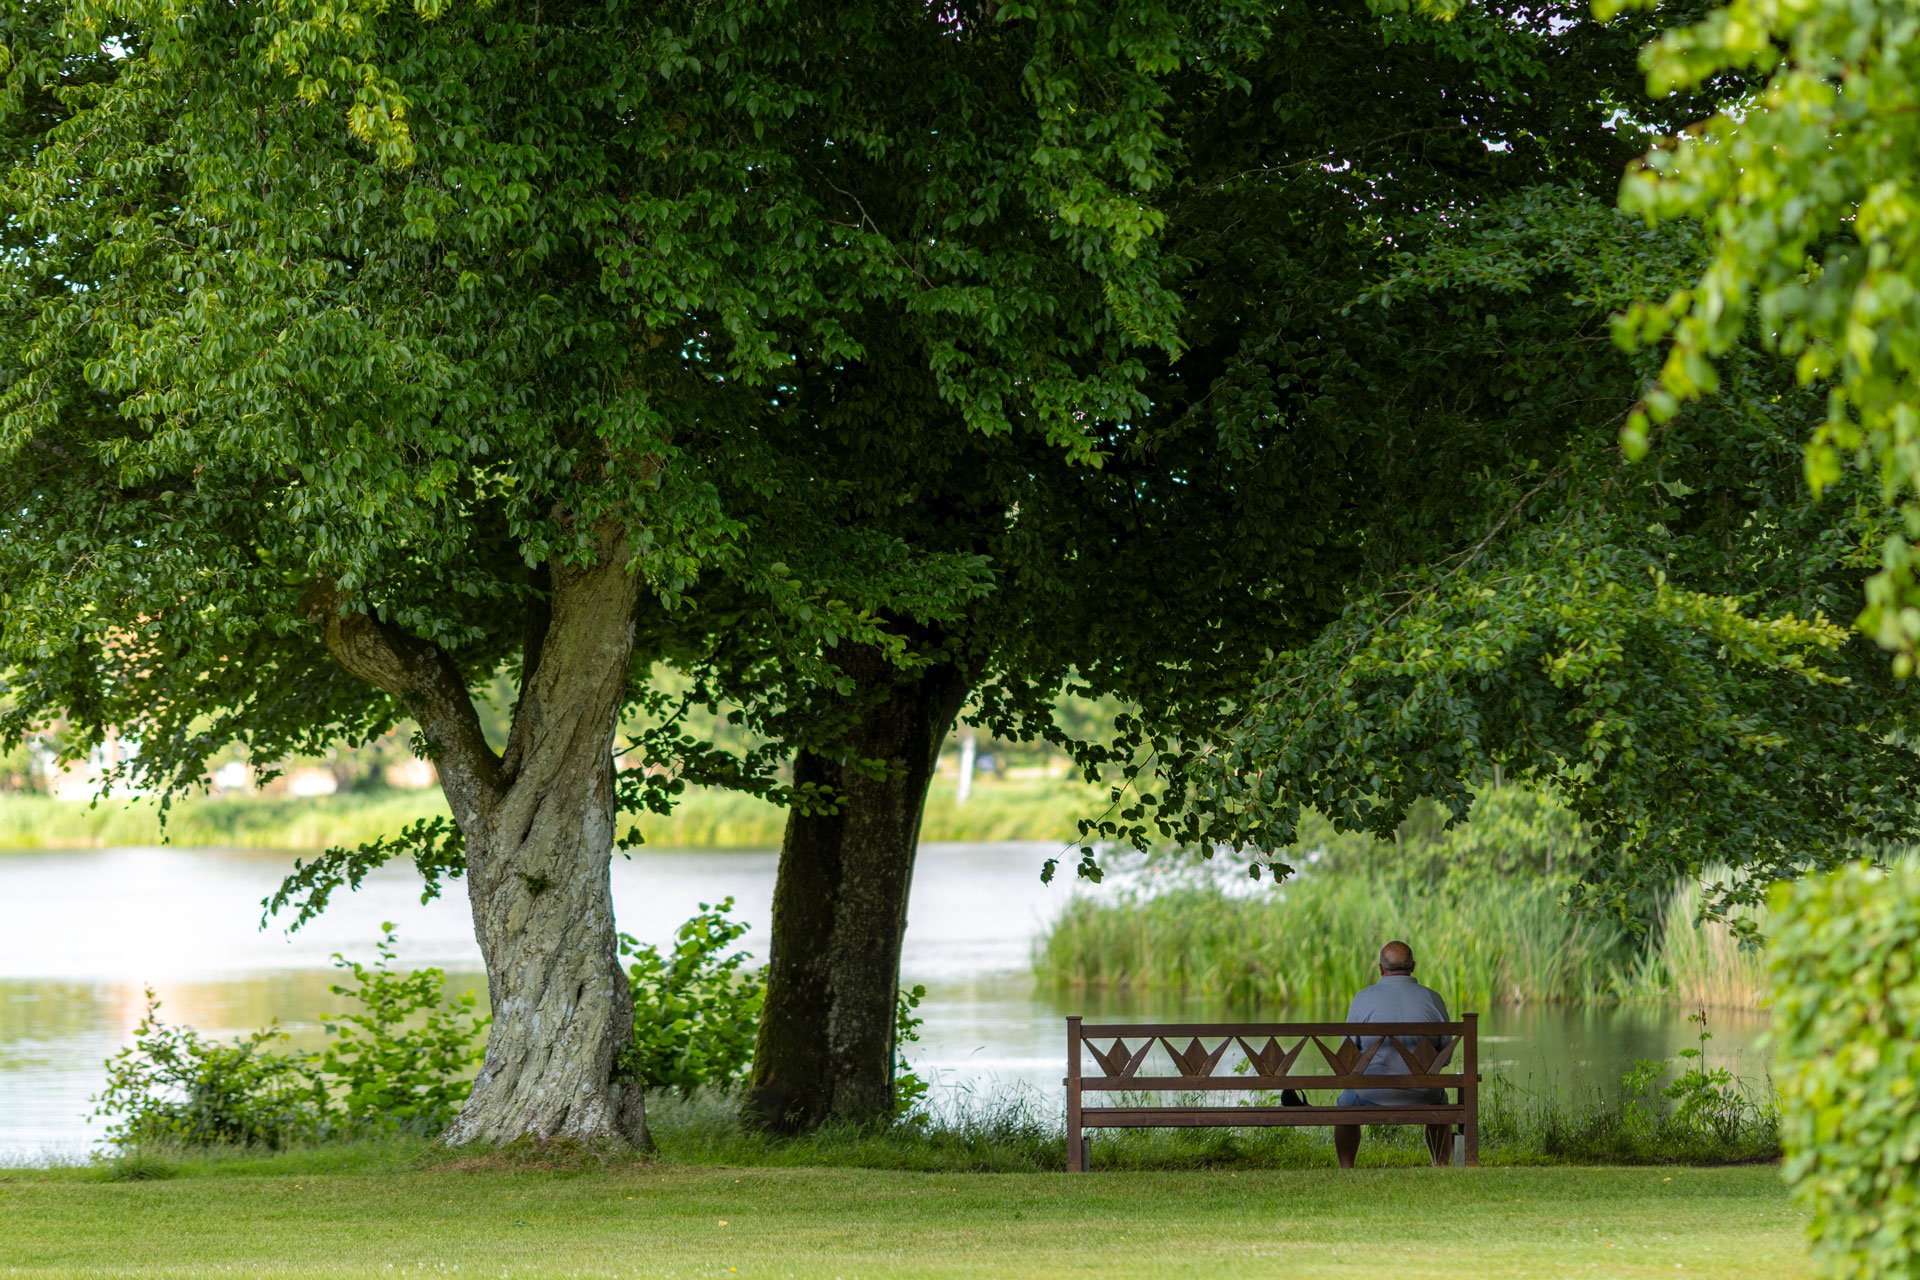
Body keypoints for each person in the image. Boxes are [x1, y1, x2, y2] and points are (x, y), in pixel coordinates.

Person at [1332, 940, 1454, 1169]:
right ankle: (1440, 1165)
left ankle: (1346, 1169)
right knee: (1440, 1099)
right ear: (1413, 966)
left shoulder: (1362, 999)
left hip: (1371, 1093)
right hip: (1423, 1094)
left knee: (1345, 1104)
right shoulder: (1432, 998)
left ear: (1381, 968)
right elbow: (1444, 1057)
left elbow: (1348, 1056)